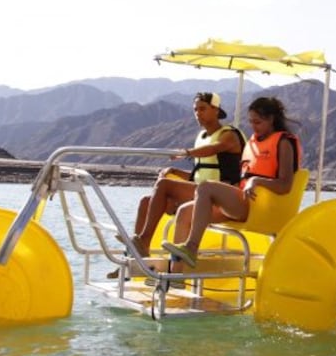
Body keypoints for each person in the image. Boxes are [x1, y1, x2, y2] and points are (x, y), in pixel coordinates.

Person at [159, 96, 301, 271]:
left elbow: (285, 185)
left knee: (206, 187)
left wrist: (256, 181)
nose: (253, 127)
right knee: (184, 212)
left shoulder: (284, 143)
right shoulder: (253, 142)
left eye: (257, 122)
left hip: (260, 207)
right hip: (242, 201)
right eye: (250, 122)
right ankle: (176, 277)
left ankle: (191, 247)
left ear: (271, 119)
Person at [112, 92, 245, 270]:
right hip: (200, 190)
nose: (198, 113)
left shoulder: (229, 135)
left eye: (203, 109)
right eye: (195, 110)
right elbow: (201, 174)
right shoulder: (202, 137)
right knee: (146, 202)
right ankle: (134, 261)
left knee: (164, 185)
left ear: (216, 110)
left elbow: (214, 150)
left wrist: (186, 152)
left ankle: (143, 241)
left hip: (218, 196)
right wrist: (175, 171)